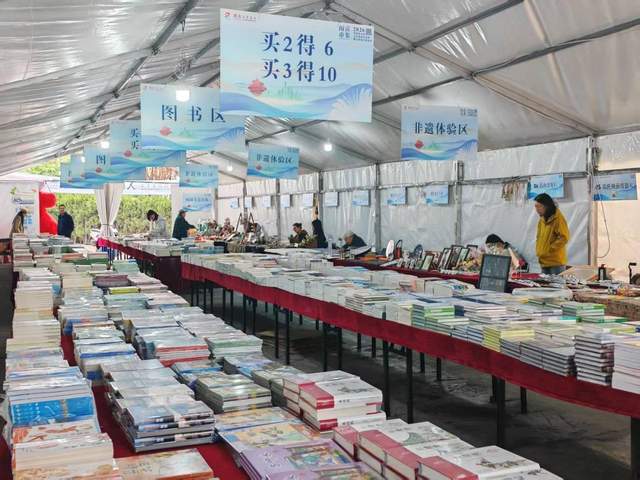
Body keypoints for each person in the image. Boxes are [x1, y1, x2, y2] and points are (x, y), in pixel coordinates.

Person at [534, 193, 570, 274]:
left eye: (539, 206)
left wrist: (549, 250)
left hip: (556, 263)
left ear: (547, 206)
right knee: (544, 282)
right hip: (544, 261)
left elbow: (564, 237)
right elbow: (538, 237)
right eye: (535, 206)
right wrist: (539, 251)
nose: (537, 209)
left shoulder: (558, 219)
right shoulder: (542, 220)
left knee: (556, 282)